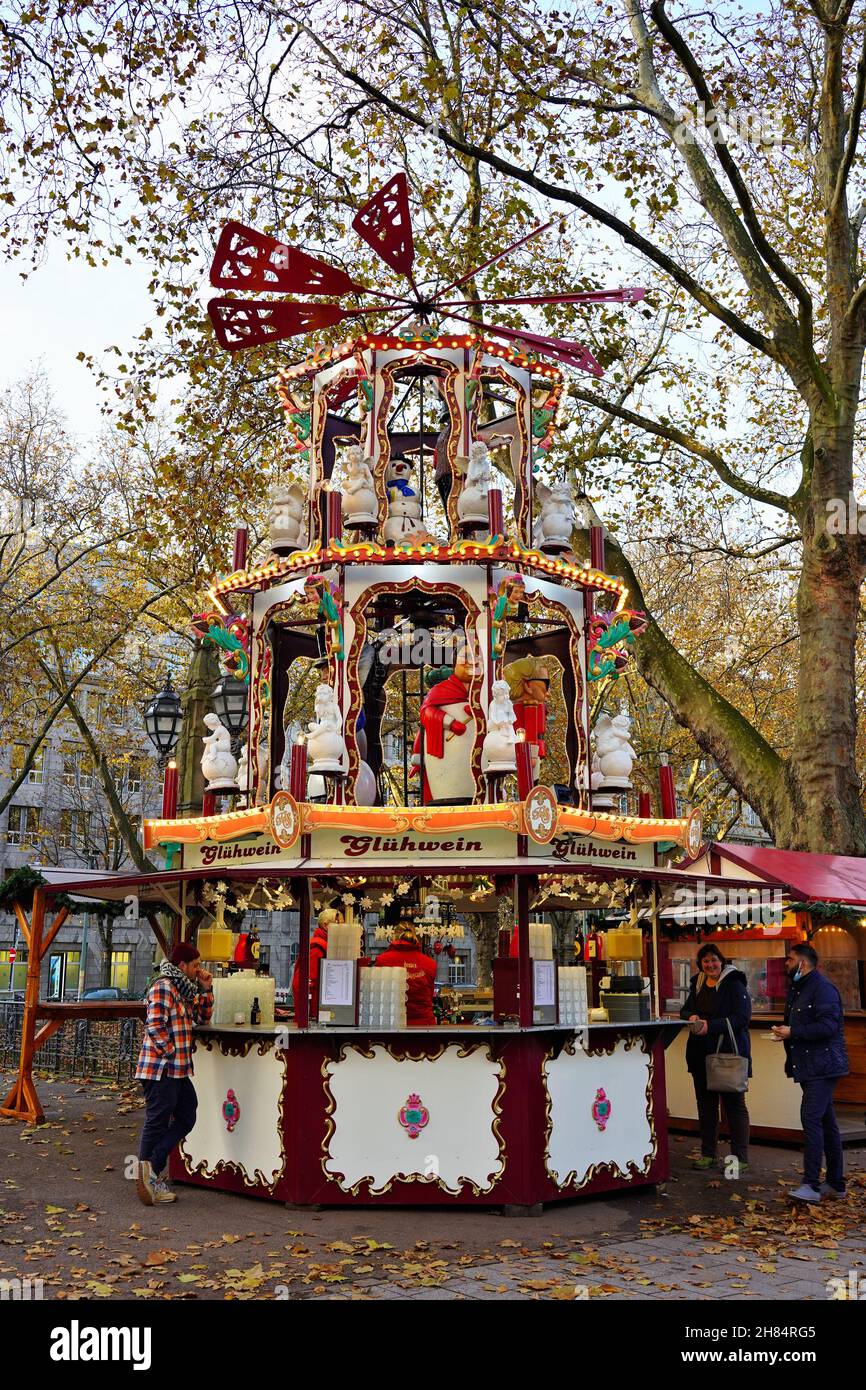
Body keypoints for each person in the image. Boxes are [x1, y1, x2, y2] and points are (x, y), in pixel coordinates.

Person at [135, 941, 213, 1206]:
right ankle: (147, 1179)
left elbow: (203, 1018)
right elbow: (154, 1025)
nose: (198, 970)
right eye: (195, 965)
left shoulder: (185, 989)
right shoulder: (163, 987)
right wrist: (170, 1052)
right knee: (157, 1121)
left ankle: (151, 1170)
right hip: (161, 1069)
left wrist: (207, 989)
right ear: (182, 966)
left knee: (187, 1114)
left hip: (178, 1069)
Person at [772, 942, 849, 1203]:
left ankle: (811, 1185)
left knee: (811, 1118)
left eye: (789, 959)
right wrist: (786, 1033)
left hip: (823, 1066)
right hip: (811, 1065)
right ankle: (836, 1184)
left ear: (802, 963)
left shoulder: (823, 989)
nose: (786, 964)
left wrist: (793, 1032)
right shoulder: (800, 988)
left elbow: (828, 1026)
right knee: (826, 1123)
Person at [679, 943, 751, 1171]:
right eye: (705, 961)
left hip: (727, 1052)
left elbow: (742, 1018)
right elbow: (685, 1010)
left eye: (714, 960)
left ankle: (739, 1159)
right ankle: (708, 1154)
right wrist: (691, 1017)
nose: (710, 965)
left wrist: (710, 1026)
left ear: (722, 960)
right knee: (706, 1106)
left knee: (733, 1107)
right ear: (700, 964)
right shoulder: (697, 983)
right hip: (700, 1053)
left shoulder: (735, 984)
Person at [375, 925, 437, 1026]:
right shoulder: (430, 963)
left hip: (392, 1026)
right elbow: (430, 994)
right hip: (424, 1027)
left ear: (394, 937)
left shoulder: (381, 961)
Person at [291, 907, 338, 1019]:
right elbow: (307, 981)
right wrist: (310, 1012)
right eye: (337, 923)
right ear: (326, 925)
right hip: (314, 1012)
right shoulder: (318, 947)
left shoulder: (322, 944)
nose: (341, 927)